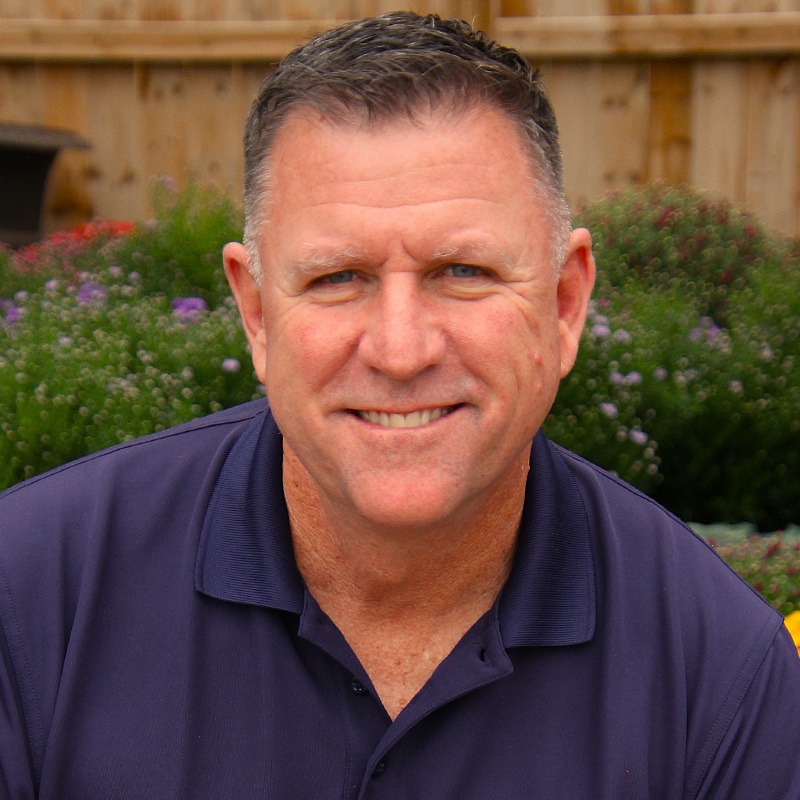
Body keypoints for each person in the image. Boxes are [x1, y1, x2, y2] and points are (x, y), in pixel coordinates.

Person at [1, 12, 798, 799]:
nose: (401, 349)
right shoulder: (30, 597)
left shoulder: (720, 677)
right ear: (256, 313)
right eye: (337, 277)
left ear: (564, 303)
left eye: (463, 271)